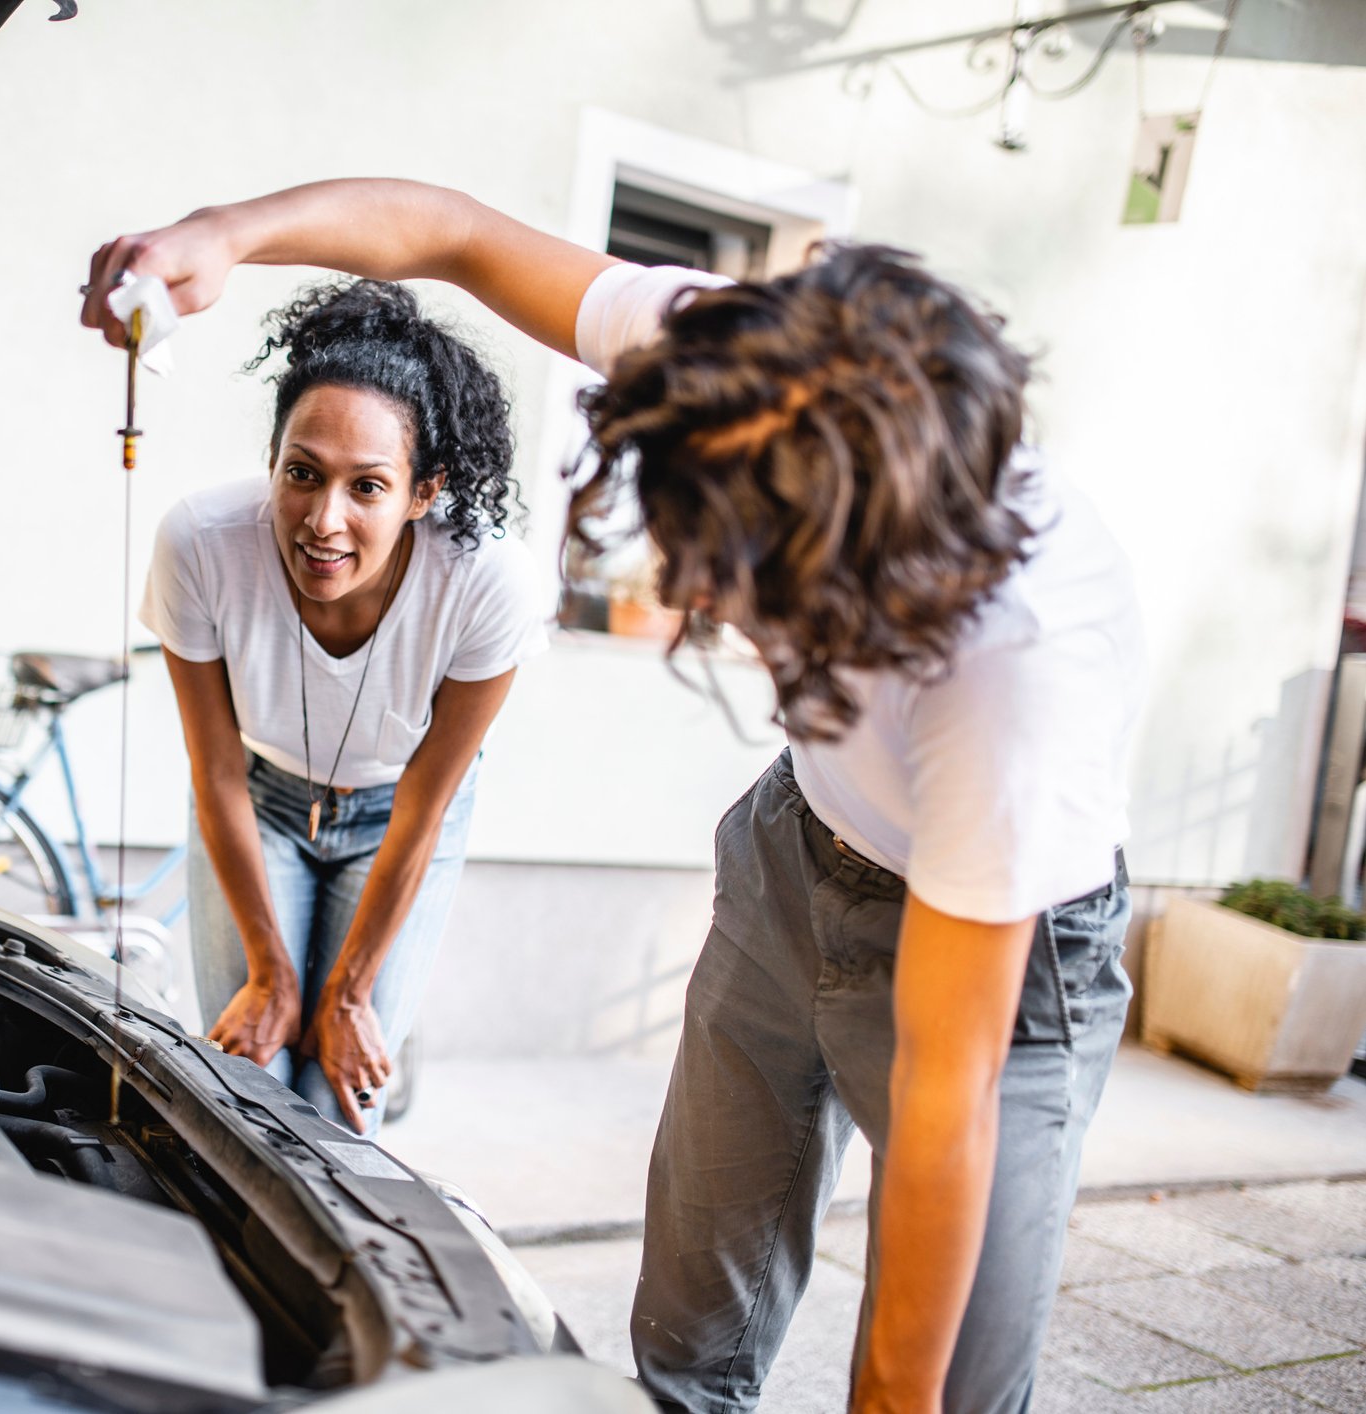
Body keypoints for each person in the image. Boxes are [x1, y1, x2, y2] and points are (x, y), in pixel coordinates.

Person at [84, 181, 1143, 1413]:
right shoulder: (751, 373)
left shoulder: (1014, 676)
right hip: (800, 849)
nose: (713, 606)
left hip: (1001, 947)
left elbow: (948, 1104)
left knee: (945, 1384)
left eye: (741, 578)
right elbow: (460, 238)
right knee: (689, 1340)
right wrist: (224, 238)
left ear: (849, 552)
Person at [138, 278, 550, 1138]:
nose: (323, 521)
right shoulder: (201, 545)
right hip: (256, 801)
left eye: (367, 487)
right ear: (274, 457)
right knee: (246, 1080)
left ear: (422, 492)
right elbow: (214, 771)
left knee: (337, 1102)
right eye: (302, 474)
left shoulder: (486, 583)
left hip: (398, 818)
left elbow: (424, 805)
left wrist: (351, 991)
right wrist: (272, 976)